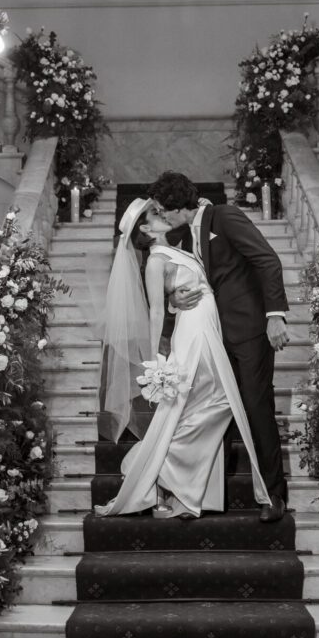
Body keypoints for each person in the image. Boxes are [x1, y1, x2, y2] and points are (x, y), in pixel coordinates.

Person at [95, 197, 272, 520]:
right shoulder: (154, 259)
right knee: (219, 398)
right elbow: (156, 311)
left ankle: (169, 475)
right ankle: (163, 472)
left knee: (206, 403)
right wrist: (154, 361)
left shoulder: (179, 248)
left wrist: (176, 297)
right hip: (194, 333)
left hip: (209, 326)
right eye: (154, 214)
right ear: (146, 229)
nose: (161, 213)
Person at [147, 172, 290, 522]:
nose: (163, 216)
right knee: (215, 409)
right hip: (216, 335)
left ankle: (273, 496)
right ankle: (202, 490)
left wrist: (275, 315)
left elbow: (267, 260)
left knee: (257, 409)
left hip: (249, 330)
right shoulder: (187, 235)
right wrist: (175, 298)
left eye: (165, 210)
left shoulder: (223, 216)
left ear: (180, 207)